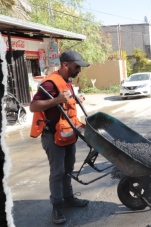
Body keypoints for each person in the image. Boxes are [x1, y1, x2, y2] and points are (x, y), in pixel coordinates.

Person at [30, 50, 90, 224]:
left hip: (68, 133)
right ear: (66, 64)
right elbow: (34, 106)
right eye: (77, 66)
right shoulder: (49, 83)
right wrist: (56, 100)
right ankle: (57, 206)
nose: (79, 69)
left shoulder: (66, 81)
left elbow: (65, 102)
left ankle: (68, 198)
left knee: (68, 169)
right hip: (52, 135)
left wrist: (75, 98)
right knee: (57, 172)